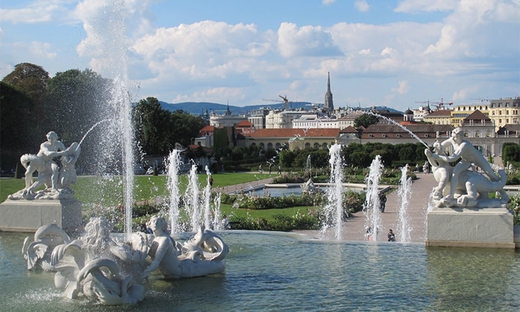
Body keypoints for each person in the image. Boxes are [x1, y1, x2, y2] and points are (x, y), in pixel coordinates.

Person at [434, 127, 500, 204]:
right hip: (466, 160)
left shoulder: (464, 144)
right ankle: (451, 195)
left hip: (477, 158)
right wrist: (437, 146)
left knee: (490, 174)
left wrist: (438, 157)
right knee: (455, 173)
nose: (454, 139)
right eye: (453, 137)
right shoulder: (452, 139)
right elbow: (441, 146)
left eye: (456, 137)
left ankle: (501, 190)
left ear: (461, 137)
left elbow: (453, 158)